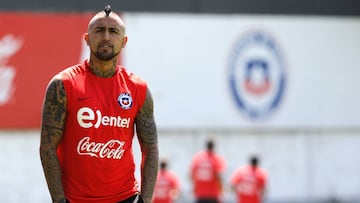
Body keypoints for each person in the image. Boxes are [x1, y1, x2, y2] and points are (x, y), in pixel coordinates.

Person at [39, 5, 159, 203]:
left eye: (113, 31)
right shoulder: (63, 84)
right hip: (75, 199)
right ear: (87, 39)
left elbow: (151, 149)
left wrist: (145, 200)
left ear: (124, 41)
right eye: (99, 30)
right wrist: (59, 200)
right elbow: (47, 147)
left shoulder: (138, 88)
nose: (106, 37)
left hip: (125, 197)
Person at [190, 139, 226, 203]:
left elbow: (192, 175)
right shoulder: (217, 159)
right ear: (214, 147)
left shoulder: (197, 158)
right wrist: (221, 191)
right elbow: (219, 176)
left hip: (200, 194)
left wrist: (195, 188)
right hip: (213, 194)